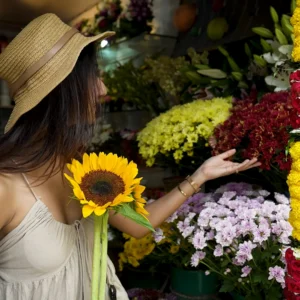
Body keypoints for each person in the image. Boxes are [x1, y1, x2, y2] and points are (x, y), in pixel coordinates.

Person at [0, 14, 260, 300]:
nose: (104, 89)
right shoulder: (5, 187)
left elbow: (137, 225)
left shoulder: (81, 166)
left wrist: (200, 175)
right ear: (62, 90)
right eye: (93, 77)